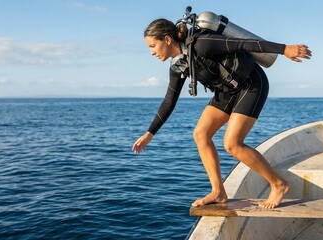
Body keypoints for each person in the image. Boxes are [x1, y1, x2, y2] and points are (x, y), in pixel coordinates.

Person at [132, 18, 312, 209]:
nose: (152, 52)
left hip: (251, 84)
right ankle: (218, 192)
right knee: (201, 134)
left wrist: (284, 49)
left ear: (167, 39)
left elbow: (243, 44)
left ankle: (279, 184)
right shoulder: (178, 65)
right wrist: (149, 134)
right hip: (226, 91)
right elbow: (169, 100)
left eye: (153, 46)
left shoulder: (203, 43)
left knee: (232, 144)